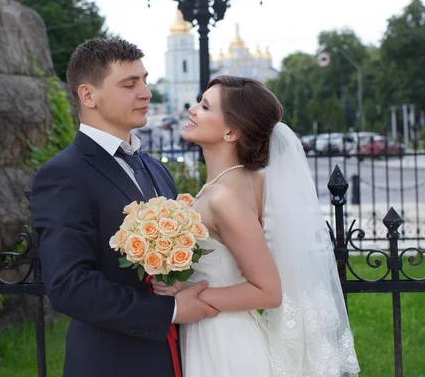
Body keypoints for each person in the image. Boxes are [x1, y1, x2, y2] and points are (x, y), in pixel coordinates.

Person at [29, 38, 218, 377]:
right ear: (88, 96)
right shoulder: (62, 175)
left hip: (183, 357)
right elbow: (68, 285)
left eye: (144, 81)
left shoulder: (155, 167)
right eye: (130, 84)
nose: (145, 93)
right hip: (114, 362)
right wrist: (170, 310)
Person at [151, 75, 360, 376]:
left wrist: (191, 295)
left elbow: (268, 291)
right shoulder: (247, 180)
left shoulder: (225, 196)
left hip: (222, 341)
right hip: (221, 328)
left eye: (205, 107)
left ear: (232, 131)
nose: (192, 110)